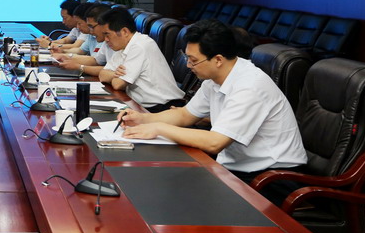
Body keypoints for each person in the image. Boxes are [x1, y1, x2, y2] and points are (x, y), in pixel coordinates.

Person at [119, 19, 307, 200]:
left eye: (193, 60)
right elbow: (185, 115)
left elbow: (215, 142)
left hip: (273, 178)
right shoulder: (215, 79)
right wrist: (143, 119)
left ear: (218, 59)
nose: (188, 65)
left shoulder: (250, 86)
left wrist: (159, 128)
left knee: (178, 191)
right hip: (239, 168)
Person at [96, 8, 184, 111]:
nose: (105, 40)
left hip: (163, 107)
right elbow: (102, 75)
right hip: (142, 104)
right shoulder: (123, 47)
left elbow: (118, 84)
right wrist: (115, 73)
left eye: (107, 34)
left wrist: (113, 76)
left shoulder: (140, 45)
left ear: (124, 31)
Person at [53, 3, 118, 77]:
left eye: (92, 27)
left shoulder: (118, 43)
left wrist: (80, 67)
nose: (91, 31)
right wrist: (65, 57)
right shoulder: (106, 41)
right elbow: (95, 60)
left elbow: (111, 72)